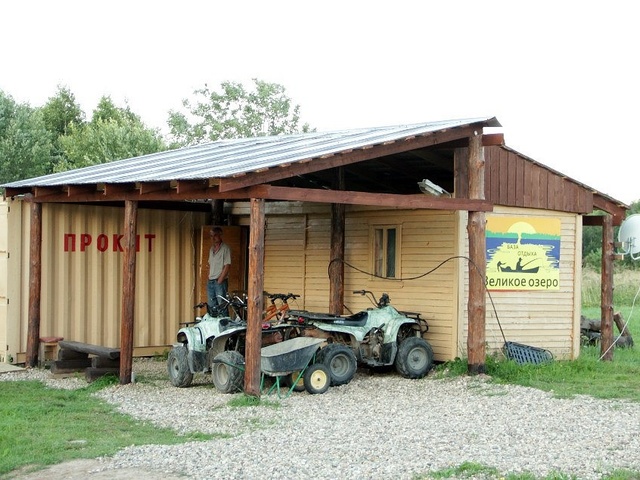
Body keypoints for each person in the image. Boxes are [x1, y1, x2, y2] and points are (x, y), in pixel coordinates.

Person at [207, 227, 231, 313]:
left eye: (215, 235)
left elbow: (227, 265)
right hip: (211, 281)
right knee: (211, 305)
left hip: (219, 281)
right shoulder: (211, 249)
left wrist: (220, 280)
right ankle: (214, 325)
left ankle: (224, 324)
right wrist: (208, 276)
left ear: (220, 235)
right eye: (211, 236)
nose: (213, 238)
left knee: (222, 305)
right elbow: (209, 264)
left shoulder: (225, 248)